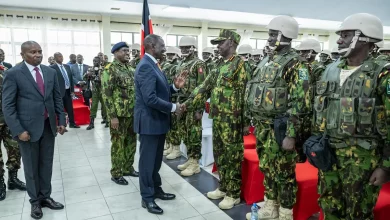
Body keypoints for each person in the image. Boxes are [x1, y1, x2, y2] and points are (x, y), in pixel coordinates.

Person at [311, 13, 390, 219]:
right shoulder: (329, 70)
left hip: (363, 160)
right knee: (329, 205)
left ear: (365, 38)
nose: (339, 40)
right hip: (329, 153)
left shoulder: (383, 73)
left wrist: (386, 166)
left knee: (358, 212)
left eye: (345, 35)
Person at [182, 29, 251, 209]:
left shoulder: (240, 65)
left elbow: (246, 96)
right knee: (220, 155)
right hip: (218, 118)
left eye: (221, 43)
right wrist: (187, 103)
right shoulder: (219, 65)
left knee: (232, 157)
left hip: (233, 121)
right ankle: (224, 186)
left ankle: (234, 194)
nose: (218, 46)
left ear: (231, 43)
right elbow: (204, 87)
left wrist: (245, 122)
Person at [2, 41, 66, 219]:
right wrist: (18, 129)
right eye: (33, 52)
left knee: (46, 164)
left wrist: (60, 120)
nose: (38, 55)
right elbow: (8, 106)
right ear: (22, 55)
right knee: (31, 167)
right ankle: (35, 202)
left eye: (39, 51)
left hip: (48, 126)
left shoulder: (50, 72)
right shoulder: (13, 74)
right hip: (26, 130)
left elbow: (56, 99)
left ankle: (45, 197)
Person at [245, 15, 301, 220]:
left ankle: (286, 212)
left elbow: (300, 103)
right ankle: (271, 204)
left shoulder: (296, 64)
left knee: (284, 171)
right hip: (262, 126)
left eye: (272, 34)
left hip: (281, 128)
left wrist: (291, 134)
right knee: (267, 167)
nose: (269, 39)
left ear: (286, 34)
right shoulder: (267, 61)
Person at [134, 34, 187, 215]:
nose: (165, 49)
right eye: (162, 45)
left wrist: (174, 87)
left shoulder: (153, 64)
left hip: (157, 122)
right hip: (149, 122)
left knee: (156, 161)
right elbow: (150, 98)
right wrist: (174, 107)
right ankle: (147, 198)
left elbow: (159, 90)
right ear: (151, 46)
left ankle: (156, 189)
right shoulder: (145, 67)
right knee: (147, 163)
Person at [168, 36, 208, 177]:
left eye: (187, 47)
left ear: (193, 48)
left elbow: (203, 88)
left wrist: (199, 109)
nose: (184, 50)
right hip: (182, 103)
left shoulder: (199, 64)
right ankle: (190, 159)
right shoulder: (180, 63)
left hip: (193, 105)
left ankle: (195, 163)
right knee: (184, 132)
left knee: (194, 135)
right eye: (182, 47)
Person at [101, 43, 139, 185]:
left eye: (128, 51)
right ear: (115, 52)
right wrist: (112, 117)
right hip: (119, 115)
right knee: (118, 144)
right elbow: (106, 95)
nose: (127, 53)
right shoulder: (110, 70)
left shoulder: (130, 69)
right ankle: (116, 173)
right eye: (124, 51)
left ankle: (128, 168)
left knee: (131, 142)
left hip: (132, 113)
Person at [0, 63, 26, 201]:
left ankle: (13, 179)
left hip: (9, 119)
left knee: (15, 149)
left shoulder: (7, 72)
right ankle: (0, 184)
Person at [50, 52, 80, 128]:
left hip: (68, 91)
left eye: (62, 56)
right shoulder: (52, 68)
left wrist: (72, 90)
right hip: (59, 92)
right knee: (60, 110)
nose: (61, 58)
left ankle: (72, 124)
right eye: (59, 56)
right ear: (55, 58)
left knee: (70, 108)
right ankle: (62, 125)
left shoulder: (67, 66)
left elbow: (71, 79)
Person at [85, 57, 107, 130]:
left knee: (104, 106)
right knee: (94, 106)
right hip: (95, 91)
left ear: (100, 61)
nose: (95, 62)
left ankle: (106, 120)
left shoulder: (104, 69)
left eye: (97, 61)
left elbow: (108, 79)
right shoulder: (90, 69)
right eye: (94, 61)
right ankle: (91, 123)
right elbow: (84, 78)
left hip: (103, 91)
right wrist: (87, 75)